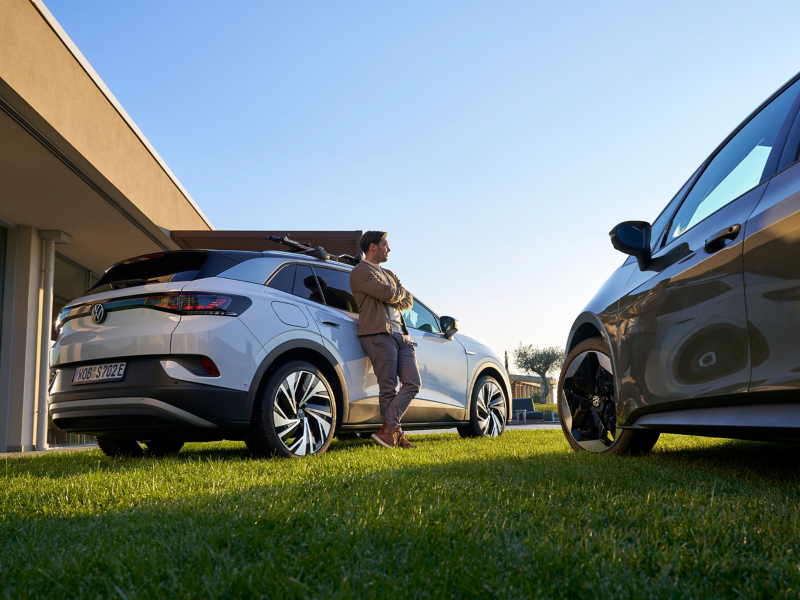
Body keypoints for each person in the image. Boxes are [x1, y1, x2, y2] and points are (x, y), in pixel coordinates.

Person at [350, 231, 420, 450]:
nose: (388, 249)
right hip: (379, 334)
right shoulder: (360, 271)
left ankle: (387, 431)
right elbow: (387, 293)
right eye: (385, 245)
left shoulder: (389, 272)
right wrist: (396, 293)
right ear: (373, 247)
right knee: (388, 388)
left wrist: (395, 293)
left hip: (402, 335)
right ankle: (394, 434)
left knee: (412, 383)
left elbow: (409, 300)